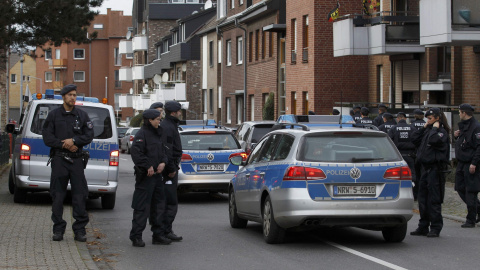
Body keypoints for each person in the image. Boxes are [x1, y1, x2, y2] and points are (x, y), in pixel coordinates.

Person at [42, 84, 94, 242]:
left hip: (77, 160)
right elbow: (47, 137)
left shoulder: (82, 115)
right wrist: (64, 144)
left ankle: (79, 230)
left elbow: (89, 134)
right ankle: (58, 229)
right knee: (57, 196)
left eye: (74, 95)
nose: (73, 97)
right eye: (70, 95)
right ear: (63, 97)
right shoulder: (54, 116)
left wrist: (75, 141)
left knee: (80, 196)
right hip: (59, 160)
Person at [129, 109, 168, 247]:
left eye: (160, 119)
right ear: (150, 120)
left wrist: (163, 162)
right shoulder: (142, 134)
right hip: (145, 177)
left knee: (159, 206)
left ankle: (158, 234)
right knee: (141, 207)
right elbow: (136, 153)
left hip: (157, 176)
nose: (159, 121)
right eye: (157, 119)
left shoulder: (158, 133)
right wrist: (147, 166)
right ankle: (136, 236)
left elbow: (163, 151)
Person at [410, 108, 450, 238]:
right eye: (427, 118)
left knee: (434, 199)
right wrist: (425, 127)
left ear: (437, 118)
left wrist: (435, 128)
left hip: (435, 169)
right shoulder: (428, 130)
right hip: (424, 169)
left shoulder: (441, 132)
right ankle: (423, 226)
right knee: (423, 199)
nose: (428, 120)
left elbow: (434, 140)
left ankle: (436, 227)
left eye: (430, 118)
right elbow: (414, 138)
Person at [159, 101, 184, 242]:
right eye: (179, 111)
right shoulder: (168, 127)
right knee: (170, 202)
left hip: (170, 168)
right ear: (173, 113)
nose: (180, 113)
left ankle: (166, 230)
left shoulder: (170, 125)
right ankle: (164, 231)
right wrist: (171, 169)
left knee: (169, 202)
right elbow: (168, 150)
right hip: (169, 171)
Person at [453, 104, 480, 227]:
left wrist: (474, 163)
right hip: (461, 162)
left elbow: (479, 147)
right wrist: (456, 137)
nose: (459, 114)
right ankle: (478, 209)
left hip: (470, 163)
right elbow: (463, 143)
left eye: (459, 112)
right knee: (459, 187)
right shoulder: (464, 126)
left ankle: (471, 219)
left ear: (464, 113)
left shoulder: (475, 127)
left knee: (471, 191)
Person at [388, 112, 417, 199]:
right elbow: (417, 140)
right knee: (412, 175)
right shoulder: (412, 128)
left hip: (398, 156)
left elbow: (389, 142)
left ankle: (397, 193)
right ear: (405, 118)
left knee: (397, 176)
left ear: (398, 119)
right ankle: (414, 194)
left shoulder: (393, 128)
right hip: (410, 155)